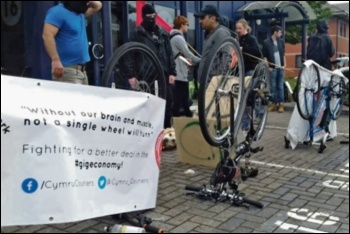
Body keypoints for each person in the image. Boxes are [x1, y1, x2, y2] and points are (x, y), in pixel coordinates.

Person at [129, 4, 176, 129]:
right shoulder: (137, 34)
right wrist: (131, 75)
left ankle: (166, 131)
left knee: (167, 104)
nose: (152, 19)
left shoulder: (162, 33)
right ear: (143, 16)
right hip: (145, 75)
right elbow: (130, 55)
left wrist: (172, 72)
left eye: (153, 16)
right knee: (148, 107)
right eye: (149, 16)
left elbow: (169, 52)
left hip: (164, 74)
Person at [42, 1, 102, 84]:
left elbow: (98, 6)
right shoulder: (57, 12)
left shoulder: (80, 13)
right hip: (66, 70)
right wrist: (55, 60)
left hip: (82, 71)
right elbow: (47, 35)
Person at [170, 16, 201, 118]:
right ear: (182, 25)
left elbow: (178, 55)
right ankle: (180, 120)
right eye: (187, 24)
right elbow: (188, 53)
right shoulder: (179, 38)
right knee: (180, 100)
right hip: (180, 73)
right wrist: (201, 60)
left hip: (178, 72)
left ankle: (188, 117)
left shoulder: (172, 37)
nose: (188, 27)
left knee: (183, 100)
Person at [194, 5, 231, 80]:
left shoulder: (221, 32)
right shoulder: (210, 34)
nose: (200, 21)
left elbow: (226, 57)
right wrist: (197, 62)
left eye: (202, 18)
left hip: (212, 85)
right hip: (205, 84)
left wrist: (218, 80)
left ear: (213, 18)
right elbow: (210, 59)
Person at [262, 25, 286, 113]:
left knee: (280, 86)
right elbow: (264, 56)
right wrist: (268, 66)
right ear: (275, 32)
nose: (281, 33)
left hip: (281, 67)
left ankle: (281, 104)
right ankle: (273, 104)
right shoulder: (266, 42)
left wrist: (284, 64)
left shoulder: (281, 42)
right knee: (273, 86)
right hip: (272, 68)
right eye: (279, 32)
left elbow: (283, 54)